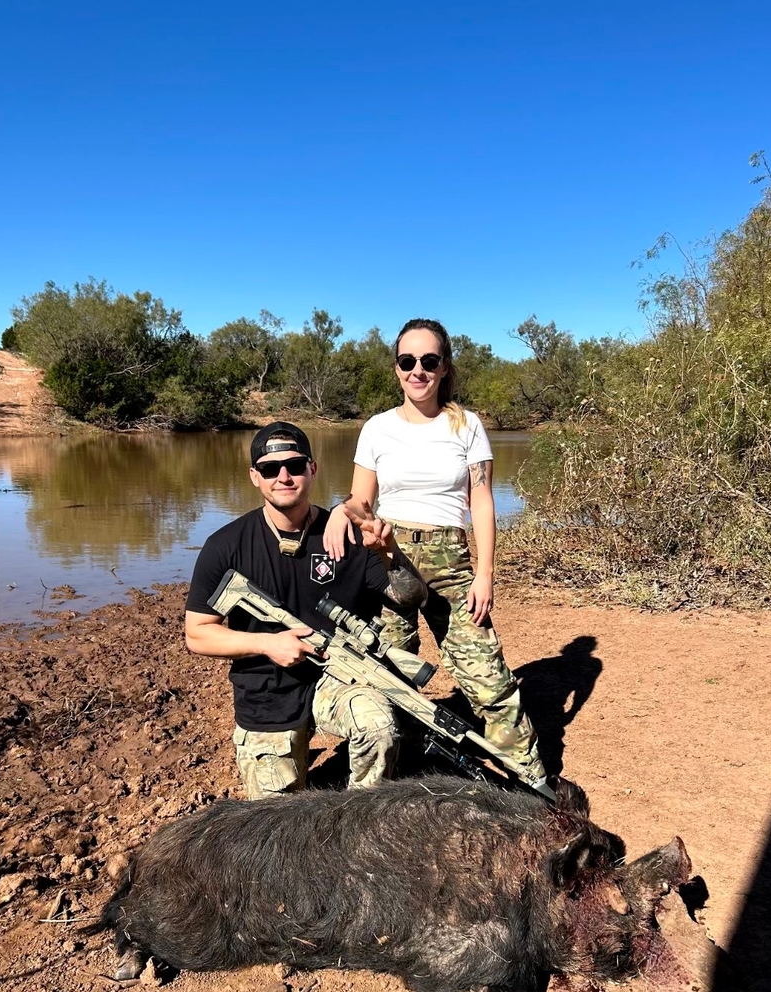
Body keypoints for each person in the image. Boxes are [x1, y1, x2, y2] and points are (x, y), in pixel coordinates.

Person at [323, 318, 546, 781]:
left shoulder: (467, 426)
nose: (417, 370)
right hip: (387, 557)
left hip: (450, 558)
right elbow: (362, 500)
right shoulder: (377, 429)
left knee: (488, 678)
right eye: (408, 361)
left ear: (444, 367)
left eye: (429, 361)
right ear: (396, 368)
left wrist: (485, 574)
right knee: (386, 675)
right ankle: (392, 776)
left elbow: (481, 502)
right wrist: (342, 513)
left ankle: (531, 780)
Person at [185, 422, 427, 800]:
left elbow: (411, 598)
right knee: (276, 818)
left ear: (312, 469)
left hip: (341, 676)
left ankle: (360, 821)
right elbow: (198, 632)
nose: (284, 476)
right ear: (255, 477)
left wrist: (388, 551)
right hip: (266, 688)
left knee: (379, 728)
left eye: (295, 466)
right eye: (270, 469)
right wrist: (267, 644)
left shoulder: (347, 534)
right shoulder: (225, 545)